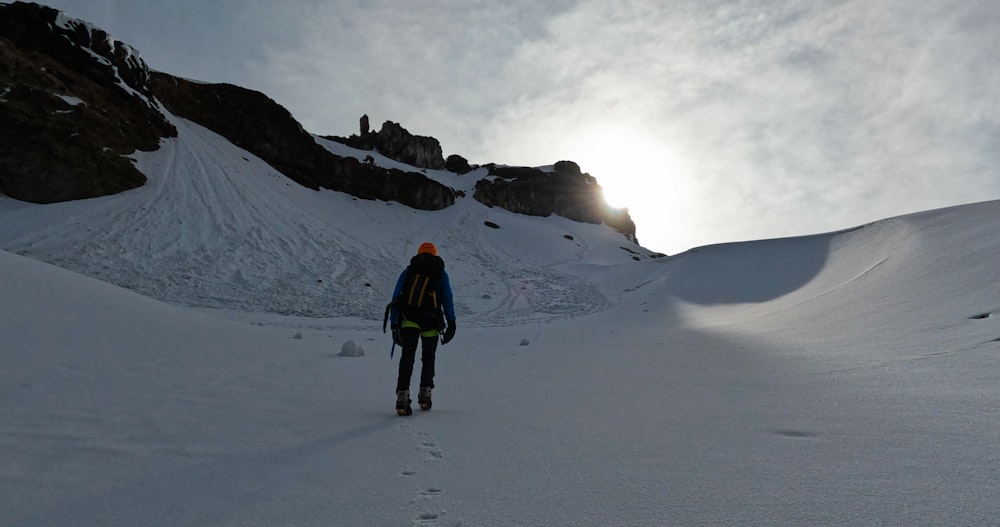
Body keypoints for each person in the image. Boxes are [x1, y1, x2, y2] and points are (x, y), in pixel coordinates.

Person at [388, 242, 456, 415]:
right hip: (430, 321)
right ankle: (425, 394)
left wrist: (394, 325)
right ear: (435, 254)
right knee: (428, 357)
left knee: (407, 357)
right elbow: (447, 299)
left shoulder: (409, 271)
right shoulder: (440, 274)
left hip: (409, 319)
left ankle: (402, 396)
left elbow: (396, 297)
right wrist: (451, 322)